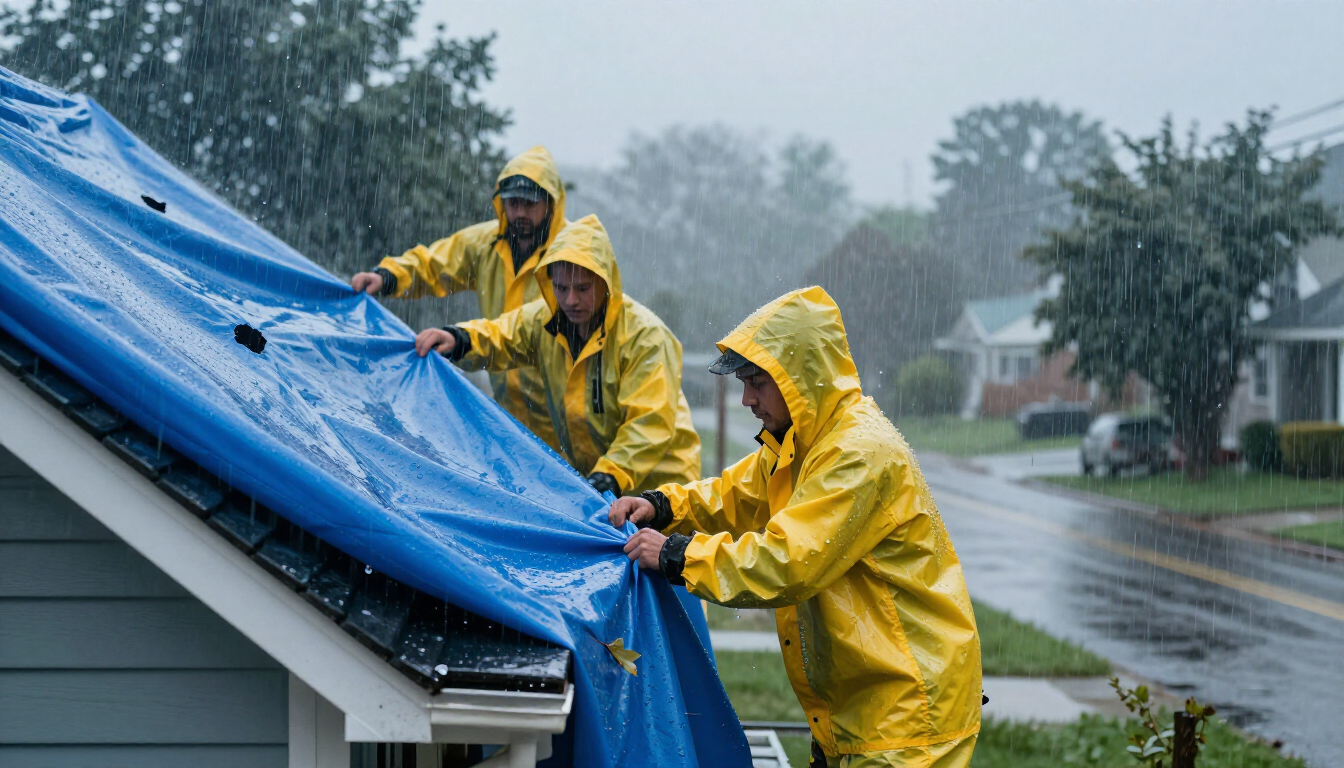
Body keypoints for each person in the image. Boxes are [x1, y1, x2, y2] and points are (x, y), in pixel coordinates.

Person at [608, 287, 982, 768]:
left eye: (757, 383)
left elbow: (788, 562)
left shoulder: (858, 454)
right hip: (862, 711)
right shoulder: (801, 443)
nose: (746, 399)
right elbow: (735, 495)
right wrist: (661, 505)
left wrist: (678, 555)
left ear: (799, 377)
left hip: (906, 717)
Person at [415, 214, 701, 499]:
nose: (570, 301)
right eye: (561, 288)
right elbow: (501, 335)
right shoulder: (546, 321)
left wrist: (611, 474)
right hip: (602, 490)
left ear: (605, 282)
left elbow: (649, 422)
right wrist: (459, 339)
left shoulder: (646, 337)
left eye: (582, 288)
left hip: (663, 493)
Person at [351, 146, 567, 449]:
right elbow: (436, 263)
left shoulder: (569, 256)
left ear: (550, 204)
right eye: (513, 203)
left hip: (566, 423)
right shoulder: (486, 244)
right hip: (511, 421)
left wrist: (463, 339)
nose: (520, 213)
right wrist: (388, 276)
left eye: (529, 204)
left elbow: (521, 332)